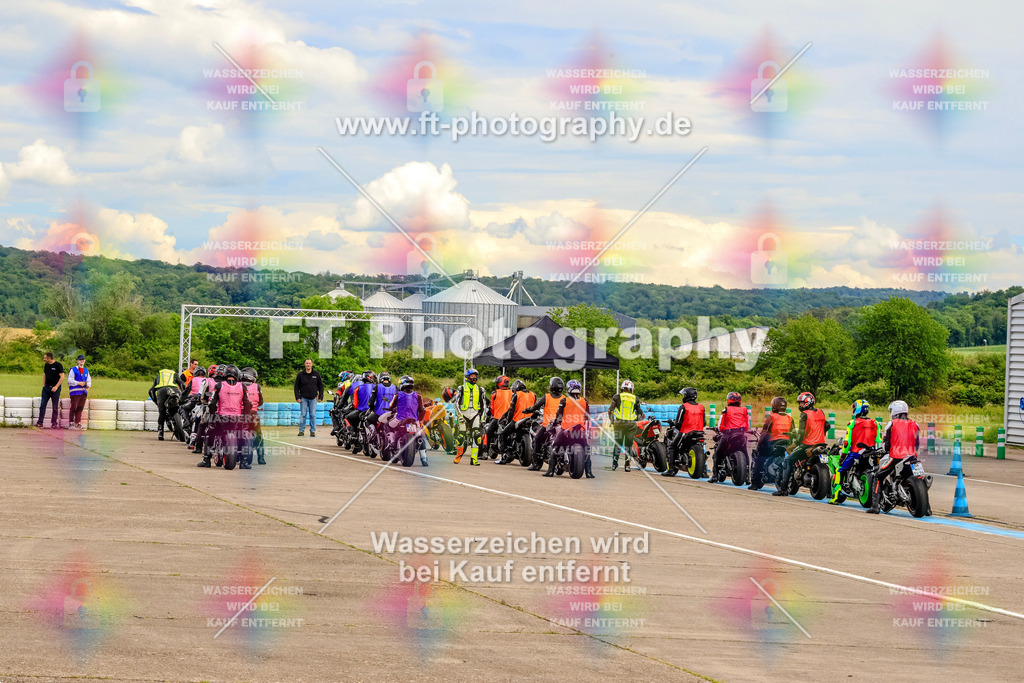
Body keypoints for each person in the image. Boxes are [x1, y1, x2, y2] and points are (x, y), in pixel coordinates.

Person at [868, 400, 926, 514]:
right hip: (912, 456)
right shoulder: (915, 424)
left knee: (877, 477)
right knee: (920, 477)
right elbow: (917, 443)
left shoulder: (891, 424)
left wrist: (884, 450)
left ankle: (875, 506)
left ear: (894, 411)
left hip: (896, 456)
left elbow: (887, 443)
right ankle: (927, 508)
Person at [774, 392, 828, 497]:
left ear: (808, 402)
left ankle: (783, 489)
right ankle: (829, 492)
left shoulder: (804, 414)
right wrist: (821, 434)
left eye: (802, 403)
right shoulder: (821, 412)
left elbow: (802, 432)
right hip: (821, 443)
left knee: (788, 460)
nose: (800, 405)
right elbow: (827, 425)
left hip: (807, 444)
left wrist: (797, 442)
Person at [199, 366, 250, 468]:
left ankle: (206, 459)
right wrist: (245, 415)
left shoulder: (218, 385)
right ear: (237, 376)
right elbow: (247, 403)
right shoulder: (243, 387)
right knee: (244, 436)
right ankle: (244, 462)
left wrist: (213, 415)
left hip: (221, 417)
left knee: (210, 433)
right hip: (237, 418)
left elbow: (212, 402)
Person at [831, 399, 880, 504]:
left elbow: (847, 442)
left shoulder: (852, 423)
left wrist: (843, 456)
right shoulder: (875, 423)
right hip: (871, 453)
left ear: (857, 409)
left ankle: (835, 497)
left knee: (840, 470)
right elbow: (878, 440)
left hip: (855, 453)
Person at [548, 379, 594, 478]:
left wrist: (556, 422)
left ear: (569, 389)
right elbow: (588, 417)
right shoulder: (584, 401)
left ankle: (550, 471)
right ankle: (589, 473)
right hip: (580, 431)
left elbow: (559, 416)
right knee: (587, 450)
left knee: (555, 447)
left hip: (566, 431)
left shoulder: (564, 400)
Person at [751, 397, 793, 491]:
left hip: (774, 443)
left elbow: (764, 433)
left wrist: (759, 445)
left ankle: (754, 483)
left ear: (774, 407)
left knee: (760, 458)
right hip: (787, 443)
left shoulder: (771, 417)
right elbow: (793, 433)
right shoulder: (789, 418)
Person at [524, 377, 564, 472]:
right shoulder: (564, 398)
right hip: (561, 426)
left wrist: (527, 410)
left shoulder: (547, 397)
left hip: (547, 426)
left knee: (536, 440)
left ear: (551, 386)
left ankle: (536, 465)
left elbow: (536, 407)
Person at [388, 374, 430, 466]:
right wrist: (419, 421)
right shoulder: (418, 395)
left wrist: (391, 408)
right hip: (414, 420)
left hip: (400, 419)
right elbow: (422, 409)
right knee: (421, 437)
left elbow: (391, 406)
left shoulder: (398, 394)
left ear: (402, 384)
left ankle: (392, 446)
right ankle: (424, 458)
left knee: (388, 426)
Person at [710, 391, 749, 483]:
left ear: (729, 400)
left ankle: (715, 476)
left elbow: (721, 426)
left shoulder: (726, 410)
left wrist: (721, 430)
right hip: (741, 435)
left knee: (718, 454)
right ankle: (748, 477)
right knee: (746, 455)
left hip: (728, 435)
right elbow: (747, 425)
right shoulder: (744, 410)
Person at [666, 387, 706, 477]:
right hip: (699, 432)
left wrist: (674, 424)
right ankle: (704, 472)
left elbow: (678, 423)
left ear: (687, 396)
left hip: (685, 432)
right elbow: (704, 422)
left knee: (672, 447)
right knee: (702, 448)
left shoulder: (683, 407)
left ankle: (671, 470)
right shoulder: (701, 407)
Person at [453, 368, 488, 466]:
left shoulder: (481, 389)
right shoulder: (461, 388)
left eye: (475, 375)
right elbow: (456, 403)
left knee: (477, 436)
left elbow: (484, 405)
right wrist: (459, 415)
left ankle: (474, 459)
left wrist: (483, 418)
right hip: (463, 414)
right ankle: (458, 455)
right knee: (461, 437)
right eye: (472, 375)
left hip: (475, 414)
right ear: (467, 377)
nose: (474, 377)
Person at [497, 380, 537, 465]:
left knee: (503, 434)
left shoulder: (516, 395)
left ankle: (503, 456)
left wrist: (508, 420)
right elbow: (535, 407)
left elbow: (511, 410)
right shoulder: (533, 394)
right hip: (530, 419)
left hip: (518, 419)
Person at [607, 380, 643, 472]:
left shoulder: (617, 397)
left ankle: (614, 464)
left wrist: (612, 421)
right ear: (631, 389)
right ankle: (627, 466)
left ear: (622, 388)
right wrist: (638, 420)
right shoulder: (636, 398)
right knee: (628, 445)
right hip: (631, 425)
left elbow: (610, 410)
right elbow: (640, 413)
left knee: (618, 444)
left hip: (619, 424)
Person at [346, 371, 376, 454]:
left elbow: (355, 404)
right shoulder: (376, 387)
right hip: (372, 411)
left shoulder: (358, 388)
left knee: (347, 418)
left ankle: (353, 434)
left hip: (361, 411)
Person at [240, 367, 265, 467]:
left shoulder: (238, 386)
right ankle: (261, 457)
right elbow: (261, 402)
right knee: (259, 435)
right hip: (253, 414)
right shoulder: (257, 386)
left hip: (240, 414)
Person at [483, 375, 512, 462]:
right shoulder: (512, 393)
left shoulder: (494, 393)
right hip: (509, 419)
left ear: (500, 382)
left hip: (497, 418)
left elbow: (492, 408)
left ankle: (484, 453)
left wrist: (492, 413)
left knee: (487, 433)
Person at [294, 358, 324, 437]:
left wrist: (320, 396)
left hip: (313, 398)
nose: (308, 365)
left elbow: (321, 386)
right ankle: (301, 431)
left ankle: (313, 431)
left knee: (312, 415)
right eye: (307, 363)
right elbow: (296, 387)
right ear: (305, 364)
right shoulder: (300, 374)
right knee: (303, 415)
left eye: (309, 363)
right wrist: (297, 397)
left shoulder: (316, 374)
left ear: (312, 364)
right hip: (303, 398)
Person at [149, 368, 181, 441]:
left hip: (161, 391)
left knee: (162, 412)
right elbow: (182, 384)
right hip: (175, 390)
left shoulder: (159, 376)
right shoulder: (174, 374)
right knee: (180, 407)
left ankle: (160, 432)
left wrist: (156, 402)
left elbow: (151, 391)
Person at [37, 352, 65, 429]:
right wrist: (43, 385)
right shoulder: (46, 365)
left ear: (49, 358)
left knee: (55, 407)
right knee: (42, 405)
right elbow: (45, 374)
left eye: (45, 358)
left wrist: (56, 387)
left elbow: (62, 377)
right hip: (46, 388)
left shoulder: (58, 365)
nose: (44, 359)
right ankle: (40, 422)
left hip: (55, 389)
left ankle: (54, 423)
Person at [66, 354, 91, 429]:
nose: (82, 361)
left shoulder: (86, 370)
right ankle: (71, 423)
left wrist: (87, 388)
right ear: (77, 361)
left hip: (83, 392)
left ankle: (78, 423)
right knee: (74, 407)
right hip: (75, 392)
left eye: (83, 360)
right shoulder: (73, 370)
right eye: (80, 360)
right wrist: (78, 383)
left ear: (84, 361)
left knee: (80, 408)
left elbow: (89, 381)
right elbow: (70, 381)